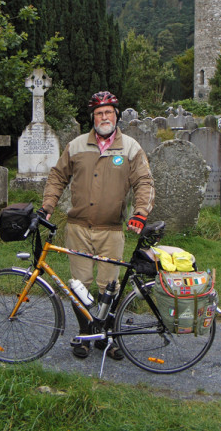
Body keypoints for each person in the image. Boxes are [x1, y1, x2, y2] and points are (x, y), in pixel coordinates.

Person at [42, 91, 155, 359]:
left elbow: (144, 182)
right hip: (78, 228)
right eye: (99, 113)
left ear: (116, 116)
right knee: (79, 285)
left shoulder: (131, 148)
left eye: (108, 112)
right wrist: (47, 206)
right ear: (92, 118)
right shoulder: (77, 145)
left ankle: (109, 338)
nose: (104, 117)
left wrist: (140, 212)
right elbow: (58, 176)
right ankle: (84, 336)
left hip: (111, 230)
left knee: (110, 287)